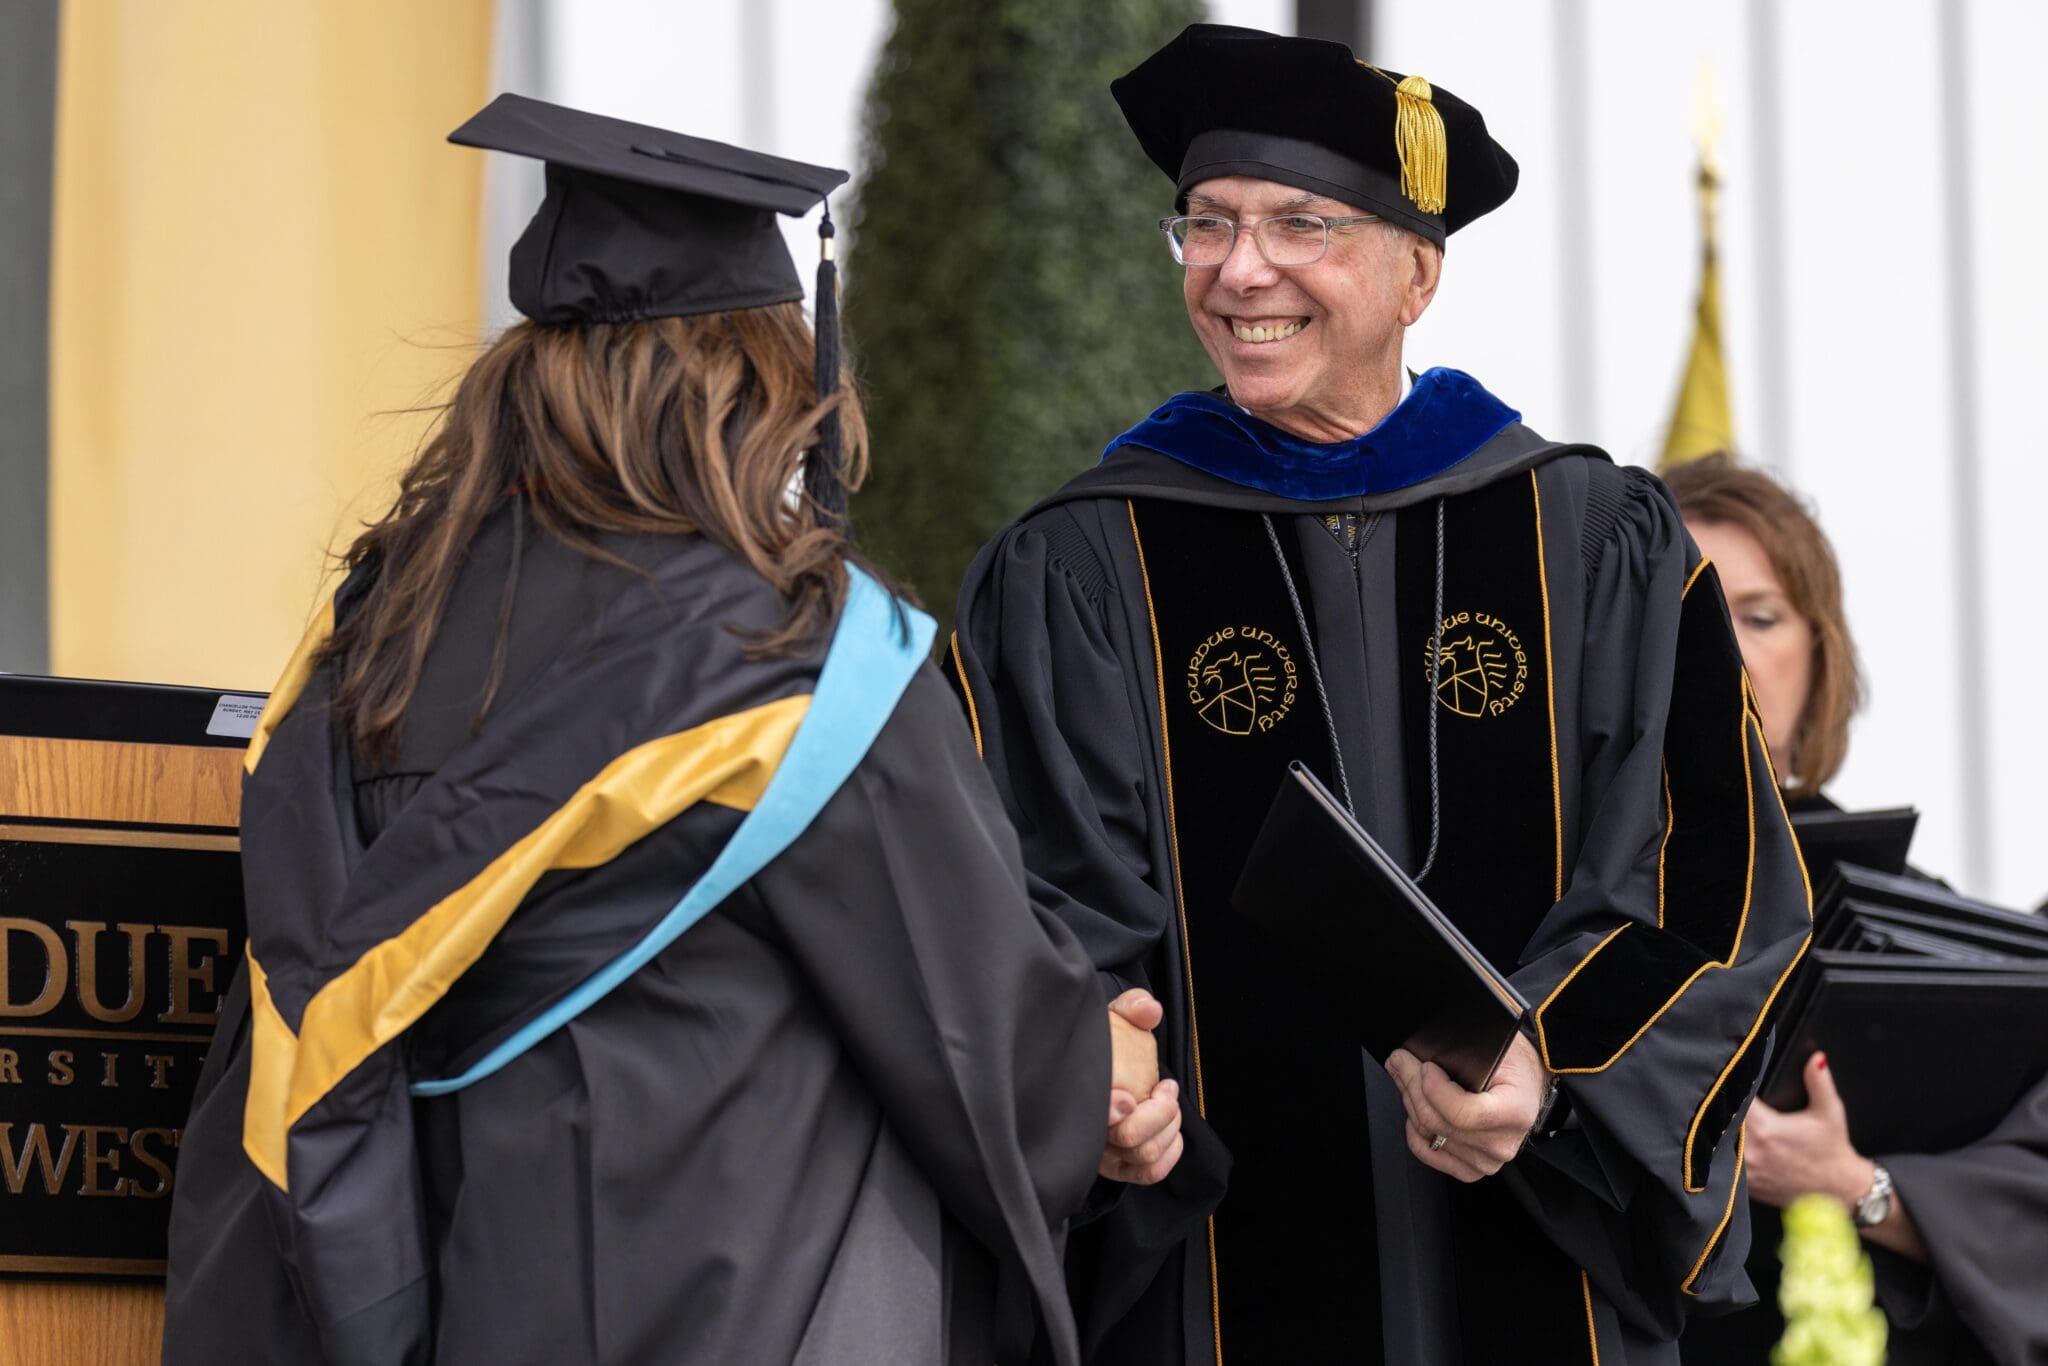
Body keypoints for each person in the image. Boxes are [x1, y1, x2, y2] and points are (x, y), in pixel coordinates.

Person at [161, 96, 1113, 1366]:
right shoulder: (796, 667)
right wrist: (1105, 1070)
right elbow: (983, 1053)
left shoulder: (365, 641)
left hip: (407, 1297)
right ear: (758, 381)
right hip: (714, 1305)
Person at [946, 24, 1816, 1364]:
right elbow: (1029, 898)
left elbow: (1705, 871)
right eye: (1209, 224)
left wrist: (1551, 1070)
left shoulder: (1592, 541)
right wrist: (1094, 1082)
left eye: (1303, 224)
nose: (1242, 270)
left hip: (1538, 1267)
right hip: (1217, 1290)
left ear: (1417, 274)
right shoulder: (1084, 564)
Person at [1669, 453, 2048, 1366]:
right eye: (1681, 611)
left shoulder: (1937, 945)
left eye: (1760, 616)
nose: (1726, 649)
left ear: (1818, 656)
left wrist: (1855, 1186)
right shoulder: (1529, 919)